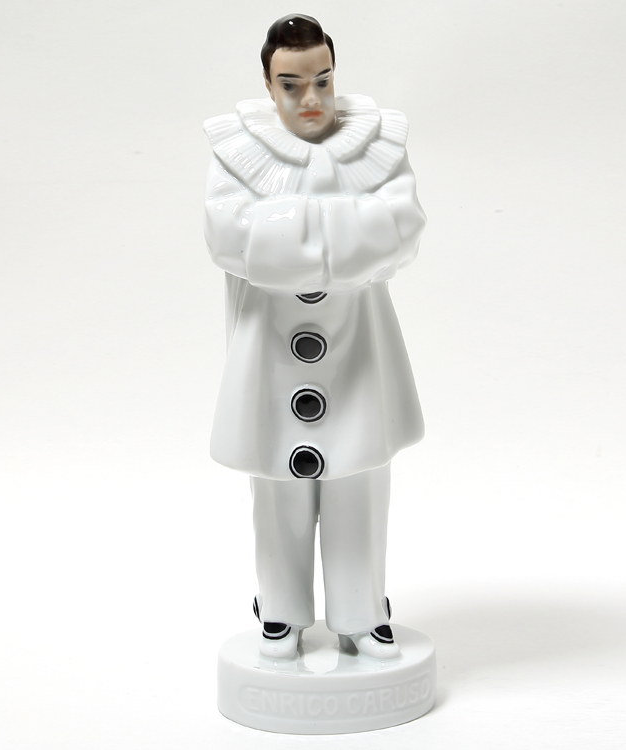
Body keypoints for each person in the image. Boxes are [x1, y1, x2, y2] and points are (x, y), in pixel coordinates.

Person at [203, 15, 426, 660]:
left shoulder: (377, 142)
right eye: (292, 84)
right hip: (271, 357)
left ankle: (362, 610)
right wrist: (343, 231)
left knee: (359, 478)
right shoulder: (238, 151)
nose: (311, 98)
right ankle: (280, 607)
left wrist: (287, 235)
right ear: (270, 85)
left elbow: (400, 230)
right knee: (278, 483)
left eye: (322, 81)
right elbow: (228, 236)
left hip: (357, 351)